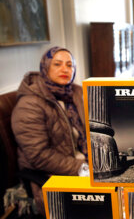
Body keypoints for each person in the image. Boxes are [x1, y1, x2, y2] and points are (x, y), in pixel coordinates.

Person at [11, 46, 88, 215]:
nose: (64, 69)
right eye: (57, 64)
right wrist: (84, 168)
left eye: (69, 65)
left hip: (82, 163)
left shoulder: (76, 92)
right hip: (50, 175)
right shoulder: (29, 104)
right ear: (45, 67)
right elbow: (38, 156)